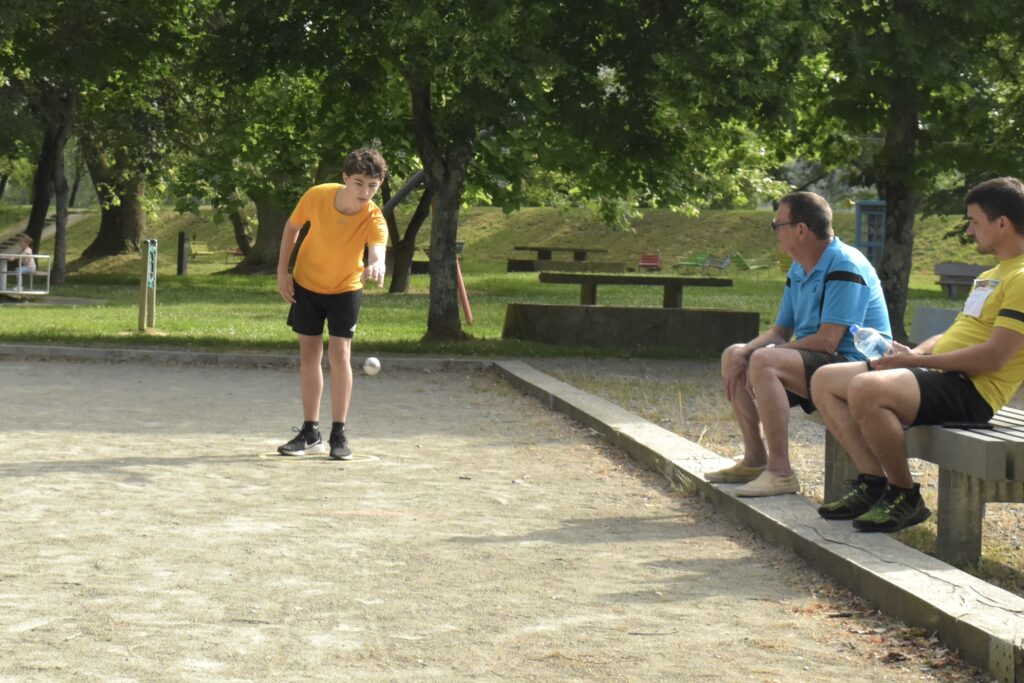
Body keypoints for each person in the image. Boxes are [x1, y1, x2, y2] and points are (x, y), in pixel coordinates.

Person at [812, 177, 1024, 532]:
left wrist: (915, 362)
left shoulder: (1021, 277)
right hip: (945, 377)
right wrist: (916, 350)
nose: (970, 231)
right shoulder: (992, 274)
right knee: (824, 380)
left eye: (974, 221)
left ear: (1002, 223)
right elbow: (956, 332)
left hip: (973, 391)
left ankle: (904, 494)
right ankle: (872, 482)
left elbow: (993, 358)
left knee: (866, 388)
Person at [708, 191, 890, 497]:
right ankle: (755, 460)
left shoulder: (845, 264)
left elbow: (829, 341)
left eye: (777, 224)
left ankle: (780, 473)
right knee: (734, 354)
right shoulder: (799, 267)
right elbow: (781, 331)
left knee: (763, 360)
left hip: (857, 366)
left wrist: (763, 356)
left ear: (801, 230)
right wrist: (745, 352)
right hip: (821, 360)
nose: (774, 231)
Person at [276, 148, 388, 460]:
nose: (365, 192)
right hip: (306, 283)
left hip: (345, 288)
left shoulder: (374, 217)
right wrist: (282, 271)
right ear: (345, 178)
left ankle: (339, 433)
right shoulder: (317, 195)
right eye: (359, 183)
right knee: (309, 355)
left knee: (340, 353)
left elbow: (377, 250)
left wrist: (376, 264)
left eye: (372, 186)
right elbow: (292, 227)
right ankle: (310, 433)